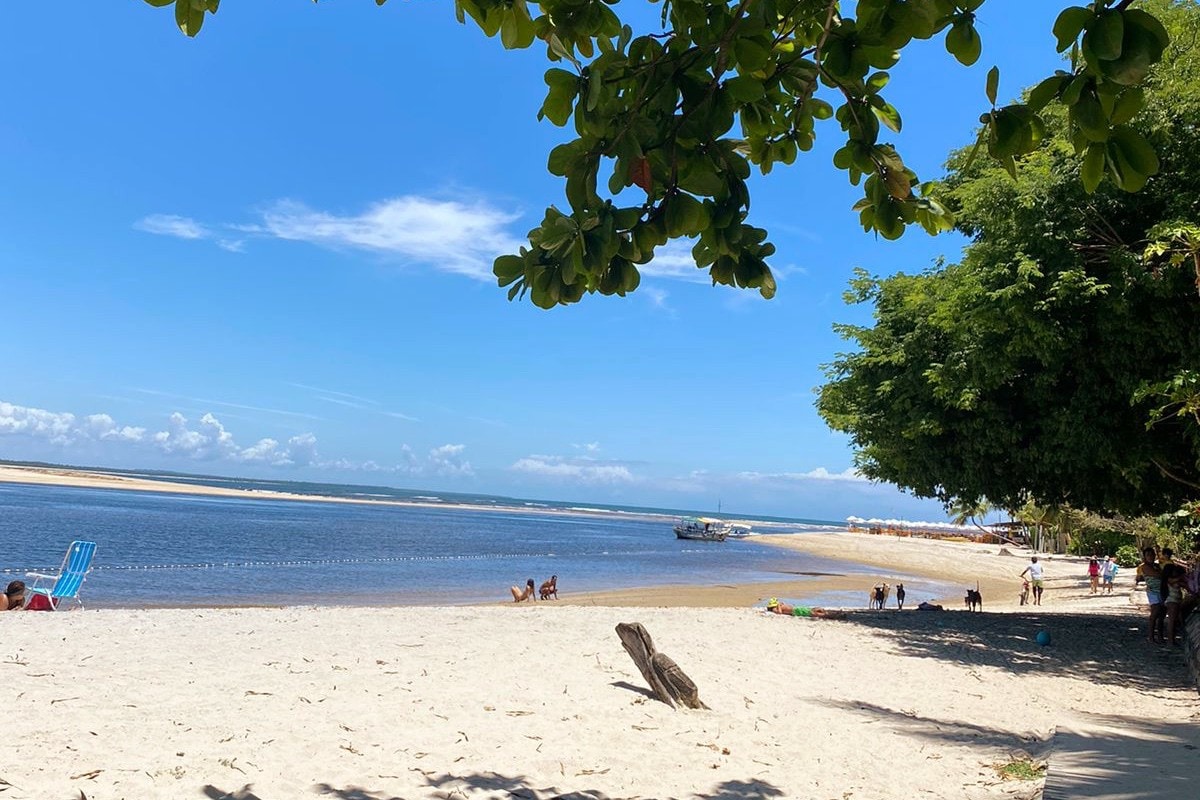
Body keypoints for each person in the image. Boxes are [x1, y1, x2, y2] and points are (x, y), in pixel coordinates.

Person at [1134, 547, 1165, 643]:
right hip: (1153, 592)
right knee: (1155, 612)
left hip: (1162, 591)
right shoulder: (1145, 567)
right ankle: (1151, 636)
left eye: (1152, 554)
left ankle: (1160, 636)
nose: (1151, 557)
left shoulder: (1157, 565)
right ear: (1145, 557)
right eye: (1148, 555)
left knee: (1162, 614)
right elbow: (1159, 575)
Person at [1161, 560, 1187, 647]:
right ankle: (1170, 641)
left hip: (1176, 601)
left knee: (1175, 621)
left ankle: (1172, 639)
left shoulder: (1175, 580)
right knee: (1171, 621)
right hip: (1172, 601)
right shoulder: (1169, 579)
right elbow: (1178, 580)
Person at [764, 598, 845, 619]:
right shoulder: (775, 608)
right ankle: (835, 616)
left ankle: (834, 613)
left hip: (797, 608)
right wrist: (778, 606)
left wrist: (781, 604)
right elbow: (779, 613)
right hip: (796, 611)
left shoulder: (779, 605)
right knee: (815, 613)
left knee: (816, 609)